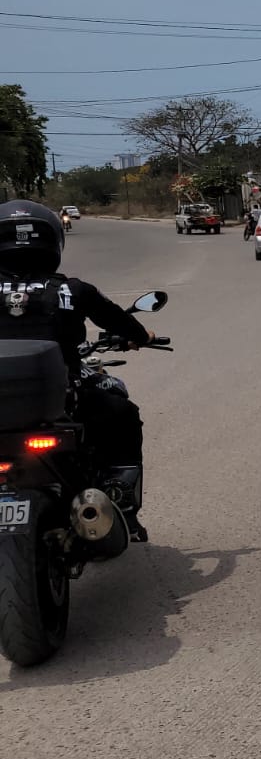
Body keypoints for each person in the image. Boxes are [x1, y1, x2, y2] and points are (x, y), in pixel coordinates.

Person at [0, 200, 157, 539]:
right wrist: (142, 336)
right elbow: (121, 321)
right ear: (53, 241)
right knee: (123, 413)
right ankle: (123, 507)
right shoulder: (71, 289)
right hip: (63, 400)